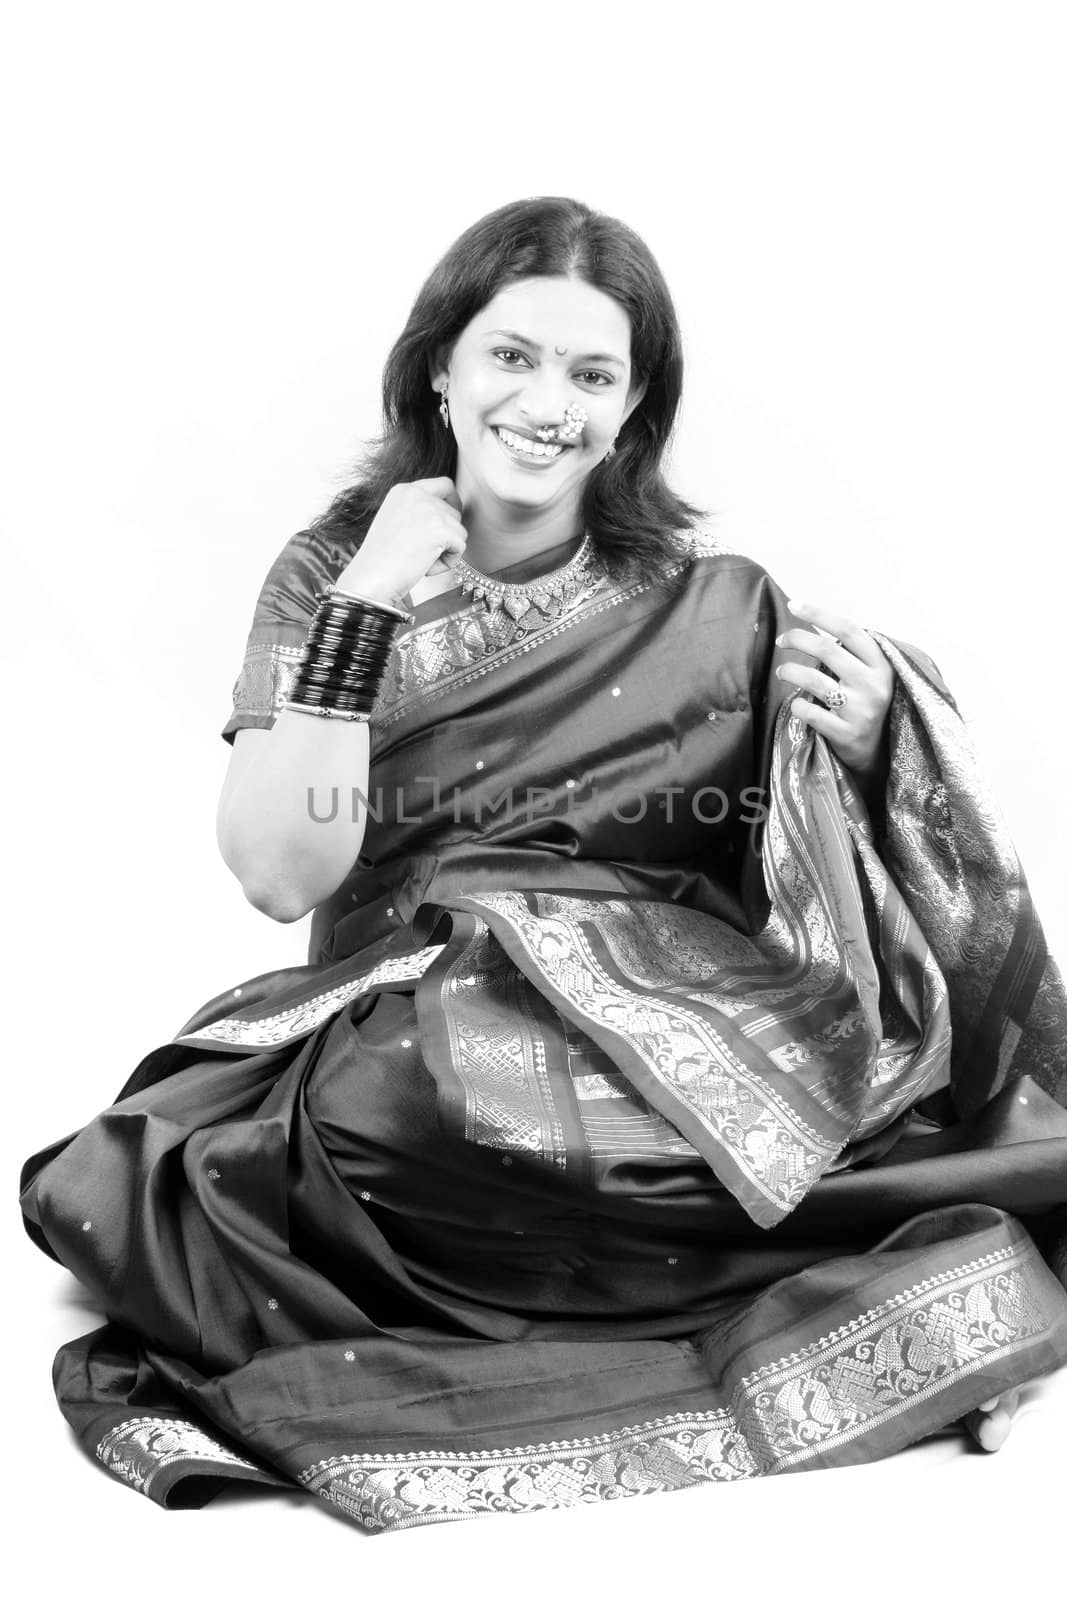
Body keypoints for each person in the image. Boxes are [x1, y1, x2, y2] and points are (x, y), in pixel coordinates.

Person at [20, 197, 1067, 1534]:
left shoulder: (708, 608)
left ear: (633, 415)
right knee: (350, 1126)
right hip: (408, 1018)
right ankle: (774, 1268)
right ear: (441, 370)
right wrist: (368, 608)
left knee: (774, 1128)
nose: (546, 404)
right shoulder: (333, 573)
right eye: (511, 356)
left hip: (646, 1017)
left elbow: (803, 877)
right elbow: (285, 873)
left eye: (592, 374)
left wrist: (872, 748)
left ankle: (834, 1262)